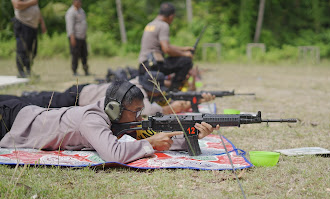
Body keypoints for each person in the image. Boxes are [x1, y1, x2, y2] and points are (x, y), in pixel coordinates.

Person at [0, 81, 217, 163]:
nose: (140, 118)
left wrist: (191, 135)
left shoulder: (120, 121)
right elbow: (114, 154)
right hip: (12, 120)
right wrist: (150, 144)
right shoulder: (92, 119)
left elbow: (160, 141)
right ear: (115, 109)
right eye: (135, 112)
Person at [0, 73, 214, 115]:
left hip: (82, 91)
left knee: (44, 98)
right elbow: (154, 109)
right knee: (35, 104)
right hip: (78, 98)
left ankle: (27, 94)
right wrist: (176, 108)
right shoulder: (140, 99)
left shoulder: (133, 83)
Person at [138, 2, 194, 91]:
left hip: (143, 65)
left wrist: (183, 49)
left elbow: (165, 45)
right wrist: (185, 54)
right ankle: (174, 90)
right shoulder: (163, 25)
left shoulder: (151, 24)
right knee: (186, 61)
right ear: (171, 16)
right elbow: (166, 49)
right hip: (153, 66)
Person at [11, 0, 47, 78]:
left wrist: (42, 22)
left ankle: (28, 70)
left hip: (33, 26)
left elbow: (36, 8)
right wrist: (32, 2)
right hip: (23, 24)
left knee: (32, 50)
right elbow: (17, 5)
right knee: (22, 49)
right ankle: (20, 71)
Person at [65, 0, 89, 76]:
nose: (80, 3)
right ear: (74, 2)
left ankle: (86, 70)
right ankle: (74, 71)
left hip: (82, 37)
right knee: (75, 54)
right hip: (75, 37)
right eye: (78, 1)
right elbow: (70, 26)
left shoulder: (81, 11)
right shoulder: (71, 12)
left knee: (84, 54)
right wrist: (72, 37)